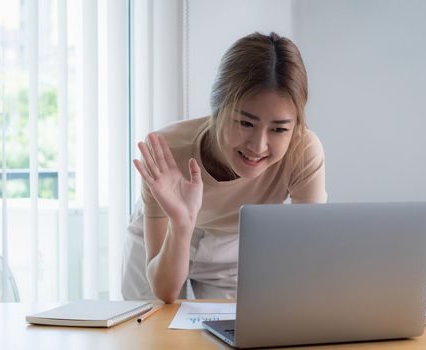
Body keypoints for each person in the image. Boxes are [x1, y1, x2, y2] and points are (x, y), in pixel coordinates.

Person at [123, 32, 327, 303]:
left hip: (236, 242)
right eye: (245, 123)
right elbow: (165, 293)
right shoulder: (168, 152)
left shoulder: (303, 152)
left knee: (231, 337)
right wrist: (181, 224)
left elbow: (309, 255)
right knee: (151, 330)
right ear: (216, 110)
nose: (258, 146)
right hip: (169, 230)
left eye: (279, 129)